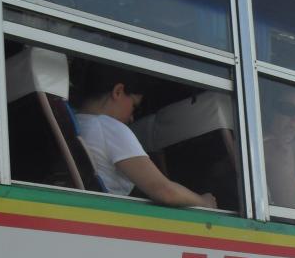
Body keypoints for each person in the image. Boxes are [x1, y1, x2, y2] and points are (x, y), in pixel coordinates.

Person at [74, 65, 216, 209]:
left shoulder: (78, 122)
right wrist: (204, 202)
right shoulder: (109, 127)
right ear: (118, 92)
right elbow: (165, 191)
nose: (131, 118)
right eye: (134, 106)